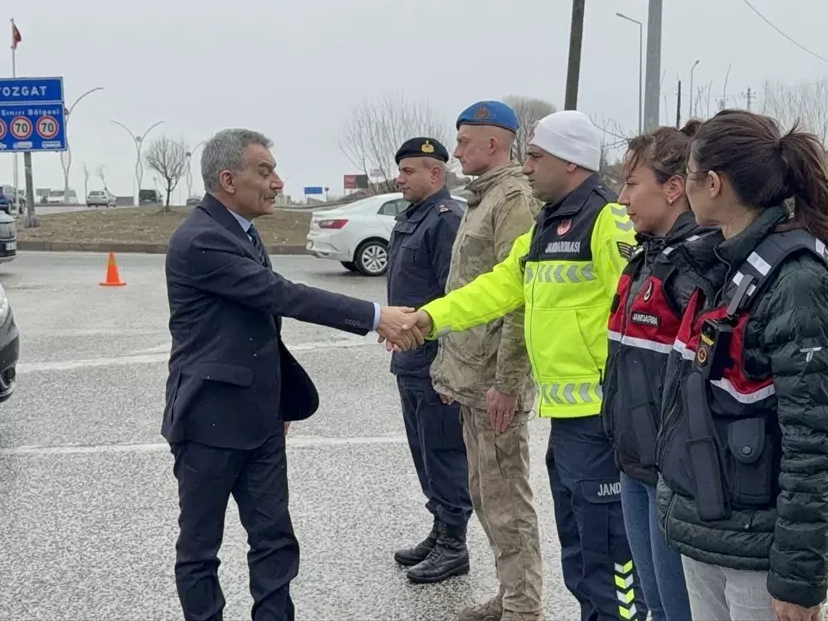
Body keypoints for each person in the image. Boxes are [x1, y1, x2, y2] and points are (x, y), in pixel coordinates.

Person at [162, 128, 421, 621]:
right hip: (206, 422)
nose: (278, 181)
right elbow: (279, 295)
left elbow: (255, 328)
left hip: (260, 419)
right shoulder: (200, 240)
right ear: (227, 178)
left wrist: (277, 402)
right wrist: (375, 317)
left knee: (275, 541)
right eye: (265, 171)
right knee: (200, 549)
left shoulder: (239, 229)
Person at [400, 110, 646, 621]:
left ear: (571, 162)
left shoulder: (606, 221)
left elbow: (642, 309)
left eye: (535, 157)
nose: (526, 167)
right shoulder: (546, 224)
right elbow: (495, 288)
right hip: (573, 421)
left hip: (606, 419)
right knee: (579, 552)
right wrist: (427, 319)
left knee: (611, 558)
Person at [654, 110, 828, 621]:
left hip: (757, 551)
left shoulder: (796, 282)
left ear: (713, 184)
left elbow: (811, 442)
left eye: (691, 175)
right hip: (712, 528)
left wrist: (798, 576)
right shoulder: (721, 263)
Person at [431, 101, 544, 621]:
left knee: (506, 498)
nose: (455, 151)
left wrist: (507, 381)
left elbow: (519, 297)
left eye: (463, 141)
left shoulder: (514, 200)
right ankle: (509, 593)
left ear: (493, 144)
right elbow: (468, 293)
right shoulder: (484, 197)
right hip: (473, 377)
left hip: (496, 382)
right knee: (484, 492)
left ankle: (524, 607)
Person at [601, 120, 714, 621]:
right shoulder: (647, 257)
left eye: (631, 183)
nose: (621, 197)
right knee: (651, 603)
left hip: (670, 474)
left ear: (673, 189)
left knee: (677, 610)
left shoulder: (694, 267)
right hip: (634, 462)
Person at [385, 136, 474, 585]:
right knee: (424, 453)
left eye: (408, 171)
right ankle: (440, 530)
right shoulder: (413, 218)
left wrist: (448, 369)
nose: (399, 179)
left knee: (444, 453)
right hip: (409, 360)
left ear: (435, 174)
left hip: (434, 364)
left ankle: (454, 544)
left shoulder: (445, 221)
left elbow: (455, 301)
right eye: (399, 171)